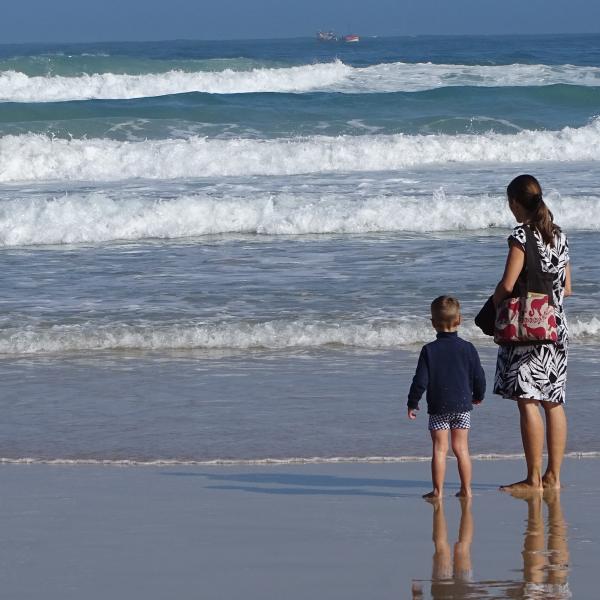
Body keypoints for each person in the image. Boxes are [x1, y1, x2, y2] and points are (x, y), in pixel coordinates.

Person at [493, 175, 571, 492]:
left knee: (527, 399)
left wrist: (494, 308)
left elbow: (508, 285)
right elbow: (568, 287)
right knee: (552, 401)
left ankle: (533, 478)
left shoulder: (521, 237)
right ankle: (553, 476)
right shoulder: (558, 235)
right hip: (556, 325)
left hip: (529, 327)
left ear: (515, 203)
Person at [407, 296, 486, 498]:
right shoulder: (468, 348)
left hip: (439, 407)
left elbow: (420, 380)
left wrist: (412, 402)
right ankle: (466, 489)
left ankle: (438, 491)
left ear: (433, 323)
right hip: (462, 406)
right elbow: (479, 375)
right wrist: (478, 395)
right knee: (461, 449)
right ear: (459, 320)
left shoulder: (429, 350)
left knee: (440, 449)